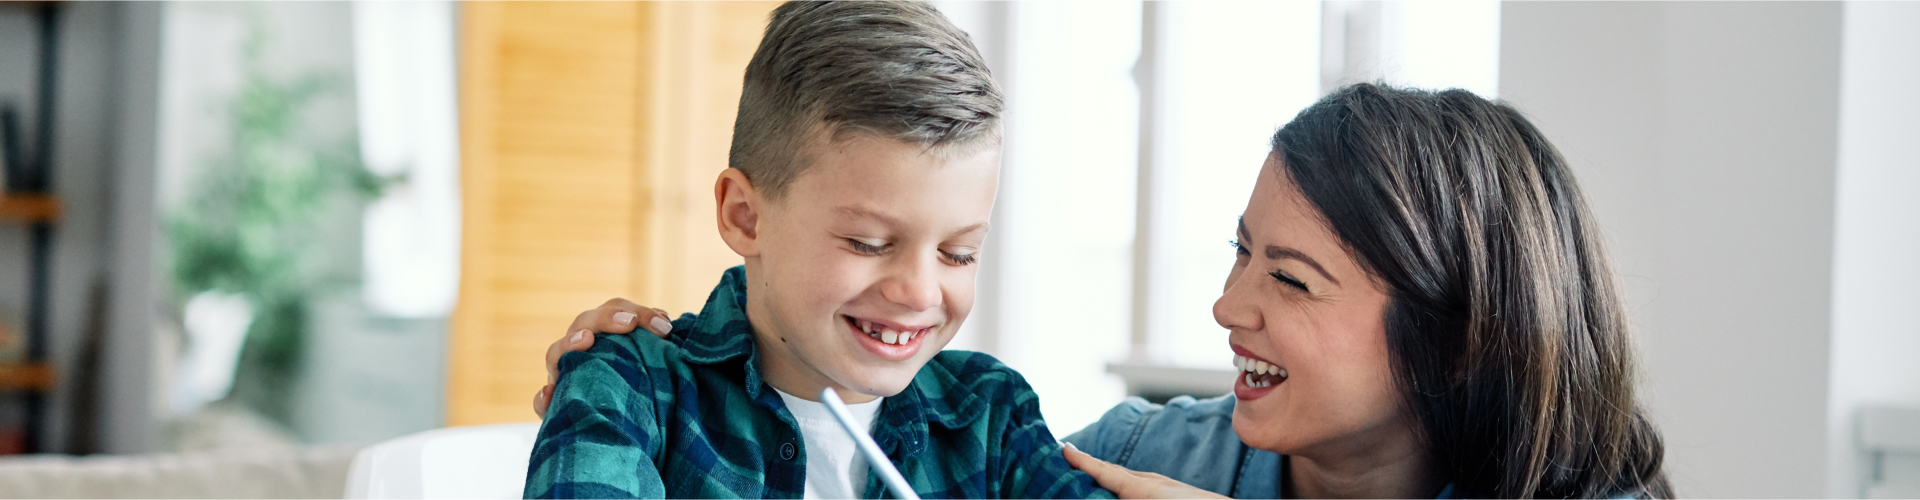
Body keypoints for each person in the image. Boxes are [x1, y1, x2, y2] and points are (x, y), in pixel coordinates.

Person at [544, 84, 1672, 498]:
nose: (1230, 307)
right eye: (1240, 253)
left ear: (1458, 337)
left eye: (1288, 276)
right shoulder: (1142, 452)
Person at [523, 2, 1108, 499]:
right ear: (744, 216)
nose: (921, 290)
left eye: (959, 253)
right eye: (869, 243)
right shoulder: (631, 387)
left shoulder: (991, 415)